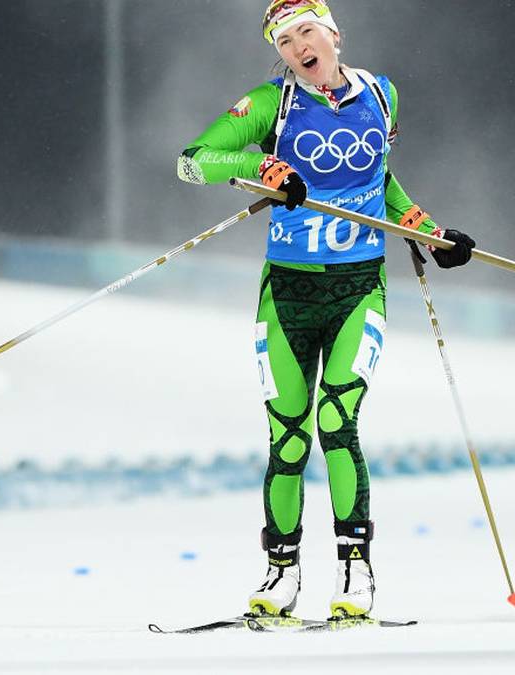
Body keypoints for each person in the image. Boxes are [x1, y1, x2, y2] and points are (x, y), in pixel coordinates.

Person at [176, 0, 476, 619]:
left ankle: (356, 573)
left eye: (305, 32)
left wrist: (429, 232)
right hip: (288, 292)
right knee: (288, 436)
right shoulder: (268, 105)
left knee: (339, 423)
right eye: (282, 41)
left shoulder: (381, 93)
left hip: (358, 288)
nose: (296, 48)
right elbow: (193, 162)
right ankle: (280, 573)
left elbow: (380, 182)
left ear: (334, 33)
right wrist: (262, 167)